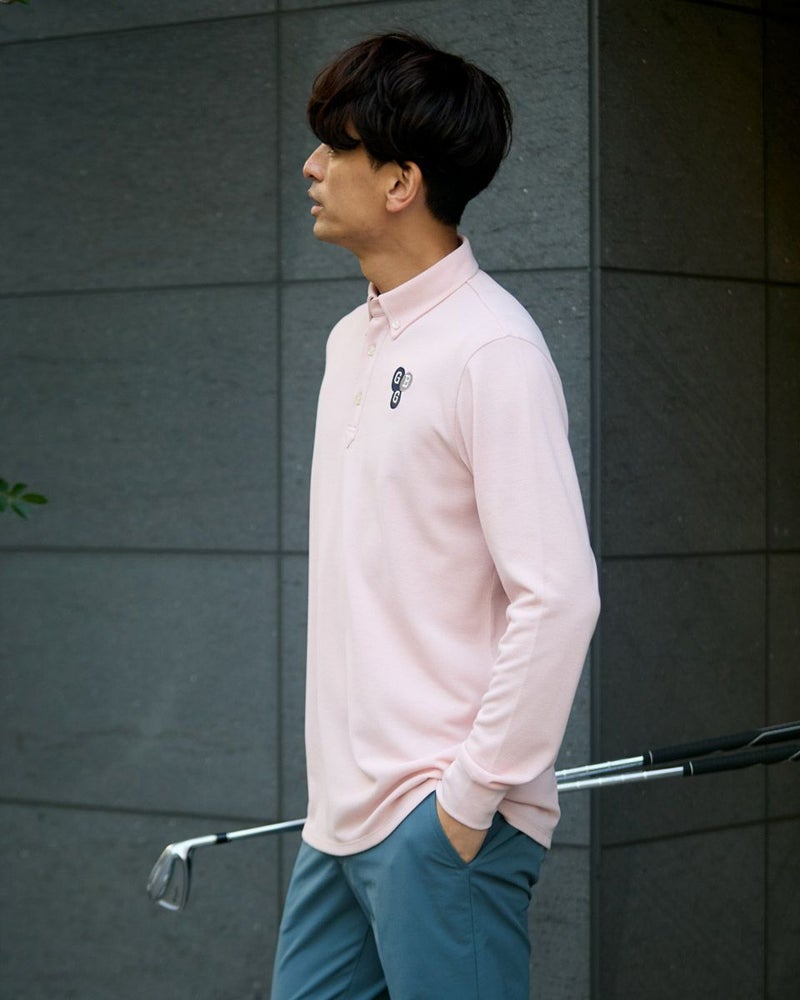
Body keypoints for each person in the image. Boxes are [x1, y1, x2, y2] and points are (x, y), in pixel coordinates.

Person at [272, 32, 600, 1000]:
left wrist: (466, 800)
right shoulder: (349, 339)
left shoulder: (492, 350)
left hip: (440, 823)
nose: (311, 167)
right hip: (337, 822)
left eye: (336, 146)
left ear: (401, 182)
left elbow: (559, 596)